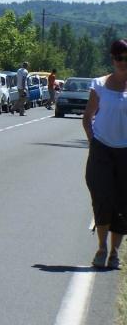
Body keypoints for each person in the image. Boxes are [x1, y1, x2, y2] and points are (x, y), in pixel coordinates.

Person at [83, 38, 127, 269]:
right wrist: (93, 143)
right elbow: (87, 117)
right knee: (102, 197)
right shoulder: (99, 84)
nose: (123, 62)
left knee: (123, 201)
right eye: (119, 58)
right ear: (112, 59)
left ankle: (115, 252)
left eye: (126, 58)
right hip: (102, 149)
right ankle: (101, 247)